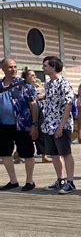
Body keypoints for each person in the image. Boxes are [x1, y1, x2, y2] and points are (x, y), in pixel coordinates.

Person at [0, 58, 38, 191]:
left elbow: (33, 106)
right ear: (2, 68)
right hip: (4, 125)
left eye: (15, 67)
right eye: (10, 67)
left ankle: (29, 181)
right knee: (5, 153)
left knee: (27, 153)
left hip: (22, 124)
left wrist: (34, 124)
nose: (14, 69)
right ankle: (13, 180)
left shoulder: (25, 85)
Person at [41, 56, 76, 194]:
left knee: (66, 153)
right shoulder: (48, 83)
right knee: (54, 154)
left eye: (45, 65)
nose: (43, 68)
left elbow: (68, 104)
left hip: (61, 124)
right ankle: (60, 179)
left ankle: (70, 181)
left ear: (53, 67)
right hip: (49, 124)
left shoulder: (64, 83)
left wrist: (61, 126)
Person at [21, 67, 51, 163]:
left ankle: (44, 155)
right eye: (32, 75)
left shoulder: (35, 87)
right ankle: (18, 154)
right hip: (28, 114)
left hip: (39, 112)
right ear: (26, 78)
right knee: (27, 136)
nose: (35, 77)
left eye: (35, 75)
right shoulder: (23, 88)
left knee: (41, 134)